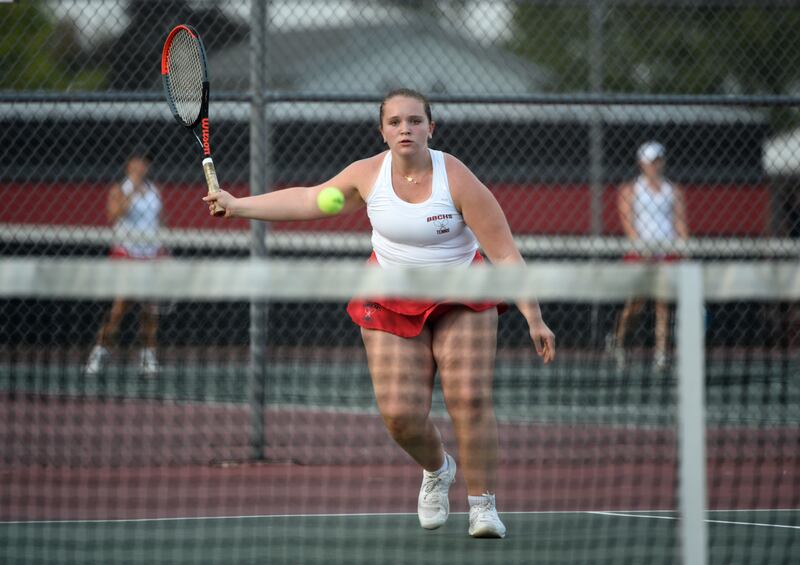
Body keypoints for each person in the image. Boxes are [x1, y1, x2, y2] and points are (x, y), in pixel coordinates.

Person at [204, 88, 556, 539]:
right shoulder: (367, 175)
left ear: (431, 128)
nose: (405, 129)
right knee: (400, 417)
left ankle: (482, 505)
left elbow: (504, 254)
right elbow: (310, 199)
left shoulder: (457, 178)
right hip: (389, 295)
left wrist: (533, 316)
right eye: (395, 122)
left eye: (415, 121)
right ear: (382, 131)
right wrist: (238, 205)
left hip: (462, 295)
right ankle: (438, 469)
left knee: (469, 399)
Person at [608, 141, 688, 370]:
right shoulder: (630, 190)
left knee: (663, 304)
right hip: (640, 254)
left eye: (658, 160)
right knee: (636, 304)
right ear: (641, 164)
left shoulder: (674, 191)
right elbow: (628, 223)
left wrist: (684, 248)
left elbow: (680, 223)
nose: (655, 165)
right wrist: (640, 248)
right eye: (651, 161)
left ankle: (661, 355)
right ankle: (617, 341)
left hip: (667, 253)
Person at [84, 152, 165, 377]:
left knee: (150, 309)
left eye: (145, 163)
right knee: (120, 306)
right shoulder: (119, 189)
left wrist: (163, 249)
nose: (141, 167)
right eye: (137, 162)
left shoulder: (154, 191)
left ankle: (148, 356)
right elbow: (113, 215)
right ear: (129, 165)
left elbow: (160, 221)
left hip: (150, 255)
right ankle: (100, 352)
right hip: (125, 253)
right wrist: (132, 194)